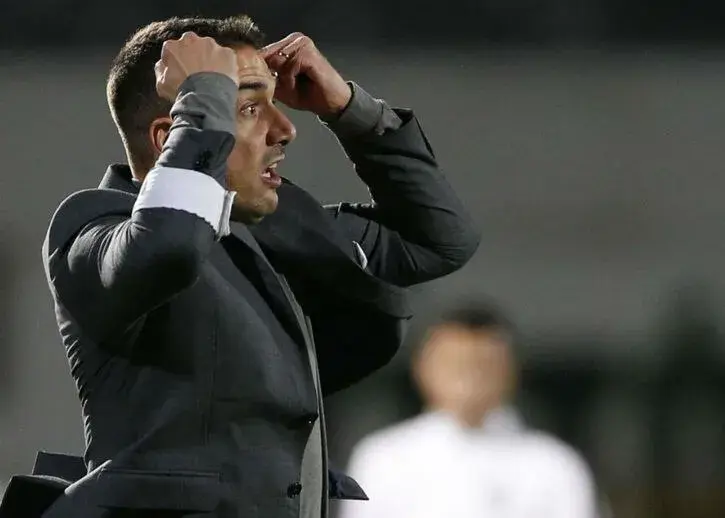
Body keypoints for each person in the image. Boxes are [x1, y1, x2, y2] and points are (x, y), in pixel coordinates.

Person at [0, 13, 478, 518]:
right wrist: (204, 97)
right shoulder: (92, 226)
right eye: (249, 108)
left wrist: (348, 109)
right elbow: (171, 244)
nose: (285, 129)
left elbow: (439, 240)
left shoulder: (278, 232)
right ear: (170, 137)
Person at [338, 301, 600, 518]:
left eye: (483, 365)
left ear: (512, 369)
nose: (470, 379)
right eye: (456, 365)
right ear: (422, 368)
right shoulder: (384, 458)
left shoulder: (554, 465)